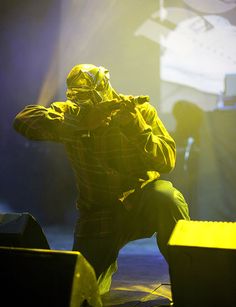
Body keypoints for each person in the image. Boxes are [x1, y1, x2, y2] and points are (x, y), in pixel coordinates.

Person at [13, 63, 190, 294]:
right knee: (80, 293)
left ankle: (192, 283)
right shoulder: (72, 113)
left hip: (143, 204)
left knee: (167, 198)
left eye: (88, 98)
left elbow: (167, 161)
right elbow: (23, 119)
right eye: (78, 99)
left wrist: (137, 128)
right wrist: (82, 123)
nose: (83, 104)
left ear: (103, 90)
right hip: (99, 214)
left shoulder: (141, 112)